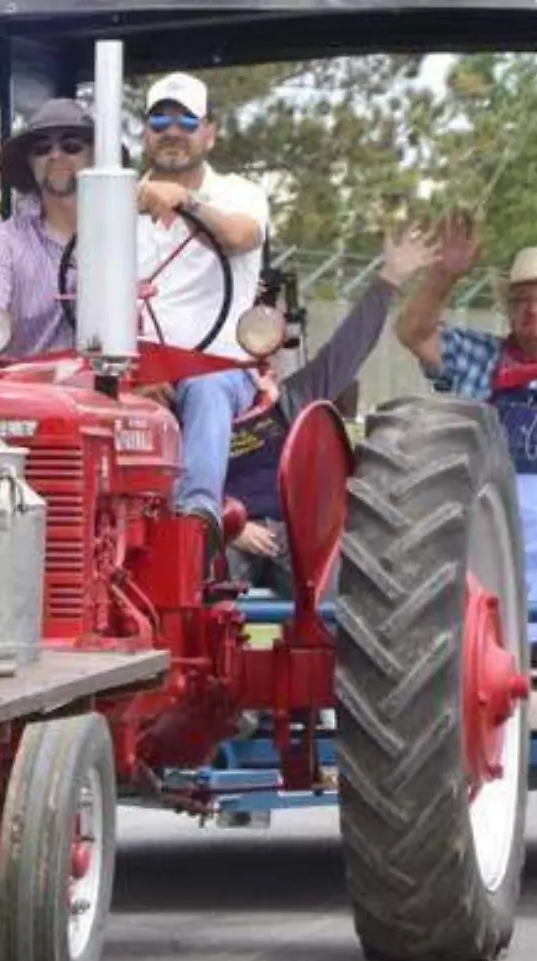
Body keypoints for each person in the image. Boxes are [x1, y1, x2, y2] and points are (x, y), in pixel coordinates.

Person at [394, 216, 537, 644]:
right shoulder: (481, 357)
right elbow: (412, 332)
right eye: (522, 300)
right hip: (489, 508)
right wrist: (445, 273)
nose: (533, 309)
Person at [225, 223, 436, 593]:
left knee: (342, 604)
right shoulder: (188, 398)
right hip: (224, 532)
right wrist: (232, 524)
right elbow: (178, 482)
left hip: (292, 536)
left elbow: (346, 352)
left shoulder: (287, 397)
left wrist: (389, 279)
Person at [132, 72, 271, 543]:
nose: (173, 129)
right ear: (145, 132)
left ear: (209, 132)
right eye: (160, 118)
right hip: (137, 371)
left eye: (187, 119)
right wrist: (138, 374)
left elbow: (237, 237)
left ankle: (195, 519)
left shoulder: (240, 194)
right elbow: (95, 295)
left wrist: (186, 202)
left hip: (220, 366)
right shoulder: (116, 202)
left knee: (206, 385)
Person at [0, 98, 95, 367]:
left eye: (71, 145)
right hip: (33, 394)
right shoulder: (2, 243)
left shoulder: (129, 236)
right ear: (29, 163)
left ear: (95, 156)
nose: (55, 155)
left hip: (115, 386)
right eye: (41, 148)